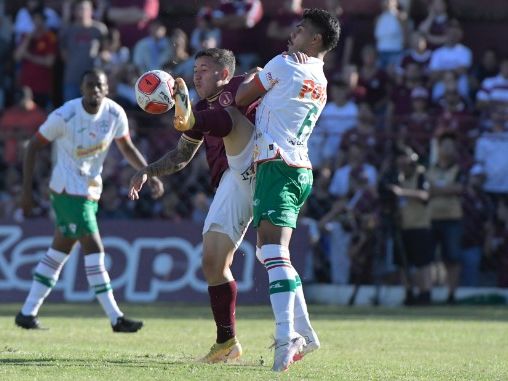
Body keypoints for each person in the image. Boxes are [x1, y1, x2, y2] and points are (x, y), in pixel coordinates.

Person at [129, 48, 257, 363]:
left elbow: (262, 77)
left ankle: (290, 334)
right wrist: (148, 170)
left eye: (204, 69)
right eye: (195, 69)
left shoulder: (242, 87)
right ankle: (227, 343)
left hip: (260, 166)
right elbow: (181, 156)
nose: (197, 74)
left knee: (230, 114)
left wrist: (259, 74)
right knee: (212, 262)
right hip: (232, 181)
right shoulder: (200, 107)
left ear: (224, 74)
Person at [15, 68, 164, 332]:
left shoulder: (115, 113)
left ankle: (27, 312)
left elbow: (127, 147)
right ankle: (116, 318)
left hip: (89, 191)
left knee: (58, 251)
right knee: (94, 248)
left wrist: (147, 172)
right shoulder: (64, 115)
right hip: (66, 191)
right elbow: (33, 146)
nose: (95, 90)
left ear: (107, 89)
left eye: (100, 85)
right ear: (81, 89)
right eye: (90, 85)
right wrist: (26, 191)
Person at [235, 8, 340, 371]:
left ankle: (286, 337)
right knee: (271, 255)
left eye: (300, 30)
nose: (291, 34)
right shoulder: (321, 79)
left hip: (277, 163)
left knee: (273, 252)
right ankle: (305, 332)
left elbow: (240, 98)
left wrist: (254, 76)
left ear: (315, 40)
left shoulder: (284, 64)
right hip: (298, 167)